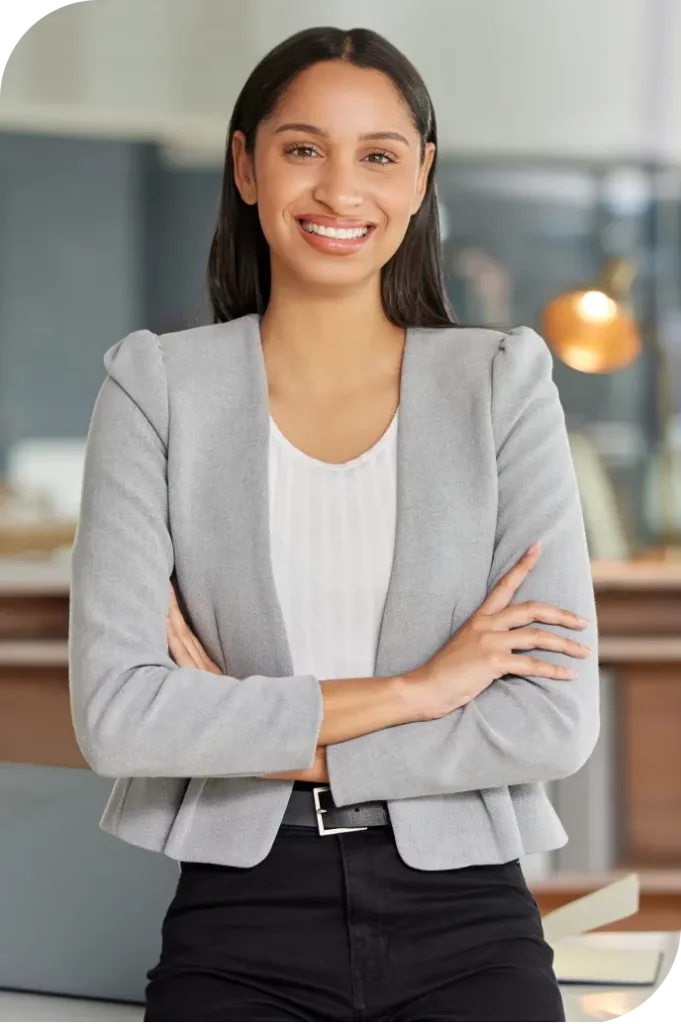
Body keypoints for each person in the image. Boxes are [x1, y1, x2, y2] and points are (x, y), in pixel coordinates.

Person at [68, 25, 599, 1024]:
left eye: (379, 156)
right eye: (303, 149)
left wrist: (239, 721)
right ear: (246, 165)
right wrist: (420, 689)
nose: (340, 192)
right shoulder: (156, 386)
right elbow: (120, 717)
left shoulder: (500, 383)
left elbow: (551, 721)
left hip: (467, 913)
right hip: (242, 913)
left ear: (421, 176)